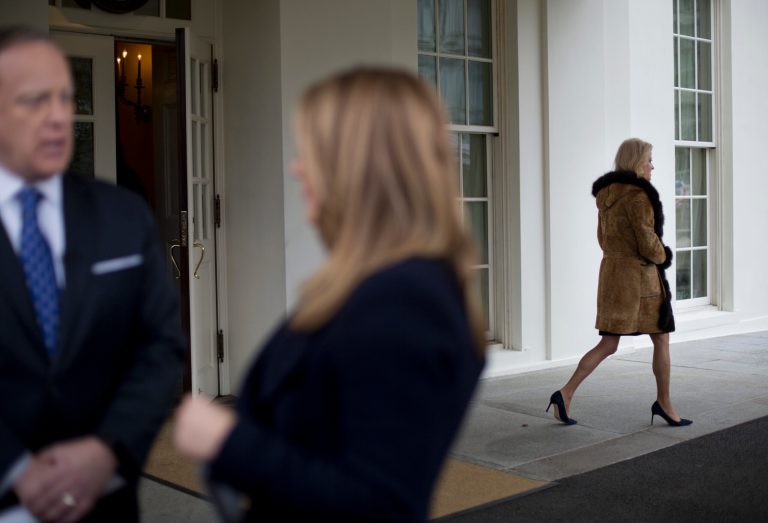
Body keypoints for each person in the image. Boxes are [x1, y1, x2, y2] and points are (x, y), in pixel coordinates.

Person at [173, 67, 486, 522]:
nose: (297, 167)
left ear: (360, 167)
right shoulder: (366, 285)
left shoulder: (407, 301)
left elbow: (379, 504)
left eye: (313, 152)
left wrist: (227, 443)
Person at [0, 26, 185, 522]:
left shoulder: (122, 214)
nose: (59, 116)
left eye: (65, 97)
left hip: (107, 504)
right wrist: (15, 468)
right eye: (35, 101)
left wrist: (106, 450)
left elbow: (161, 347)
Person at [547, 138, 691, 427]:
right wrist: (664, 255)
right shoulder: (639, 197)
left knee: (609, 343)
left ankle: (565, 392)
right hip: (640, 283)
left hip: (613, 277)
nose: (653, 166)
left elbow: (602, 240)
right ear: (636, 161)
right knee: (661, 338)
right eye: (649, 159)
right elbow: (648, 244)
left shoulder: (607, 196)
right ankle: (664, 403)